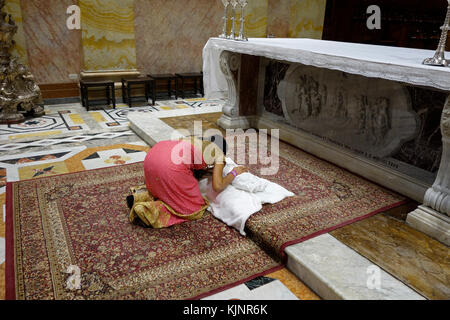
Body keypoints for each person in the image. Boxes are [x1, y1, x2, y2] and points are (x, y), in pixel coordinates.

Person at [127, 135, 248, 228]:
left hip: (152, 158)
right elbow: (218, 185)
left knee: (165, 187)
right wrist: (234, 172)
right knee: (193, 208)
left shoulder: (194, 140)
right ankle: (147, 211)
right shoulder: (219, 154)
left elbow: (186, 161)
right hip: (167, 168)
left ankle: (139, 197)